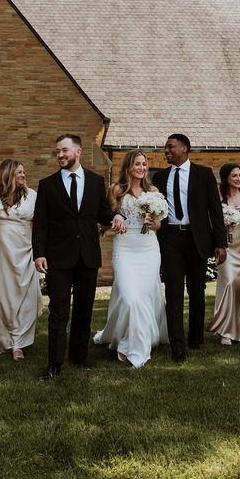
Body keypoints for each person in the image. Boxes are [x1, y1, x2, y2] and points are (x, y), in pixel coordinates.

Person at [33, 134, 127, 381]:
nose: (60, 155)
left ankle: (79, 357)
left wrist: (115, 217)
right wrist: (39, 254)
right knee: (59, 312)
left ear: (78, 152)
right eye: (57, 152)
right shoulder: (47, 185)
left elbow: (103, 212)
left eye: (64, 150)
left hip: (87, 256)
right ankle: (54, 363)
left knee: (84, 311)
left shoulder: (96, 182)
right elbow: (40, 224)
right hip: (58, 257)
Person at [151, 134, 227, 363]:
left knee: (197, 292)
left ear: (184, 148)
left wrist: (220, 243)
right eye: (166, 147)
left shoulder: (203, 174)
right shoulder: (161, 176)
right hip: (170, 238)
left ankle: (195, 338)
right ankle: (178, 346)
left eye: (170, 147)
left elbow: (215, 210)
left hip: (197, 239)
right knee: (173, 293)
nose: (166, 150)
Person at [94, 150, 169, 368]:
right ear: (128, 166)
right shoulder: (116, 190)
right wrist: (105, 227)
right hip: (125, 248)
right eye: (137, 164)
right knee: (129, 297)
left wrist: (152, 221)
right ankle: (128, 339)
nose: (142, 168)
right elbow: (111, 218)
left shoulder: (153, 191)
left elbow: (158, 226)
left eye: (144, 164)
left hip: (148, 249)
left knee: (143, 296)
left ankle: (135, 343)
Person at [0, 159, 42, 360]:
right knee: (1, 296)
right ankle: (3, 338)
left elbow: (40, 225)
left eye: (24, 172)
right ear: (7, 174)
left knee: (24, 296)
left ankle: (18, 342)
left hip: (23, 252)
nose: (23, 175)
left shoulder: (32, 197)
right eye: (19, 172)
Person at [208, 163, 240, 345]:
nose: (239, 179)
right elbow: (212, 224)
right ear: (226, 179)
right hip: (227, 248)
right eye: (234, 176)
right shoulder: (218, 197)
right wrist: (223, 228)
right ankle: (225, 330)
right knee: (229, 283)